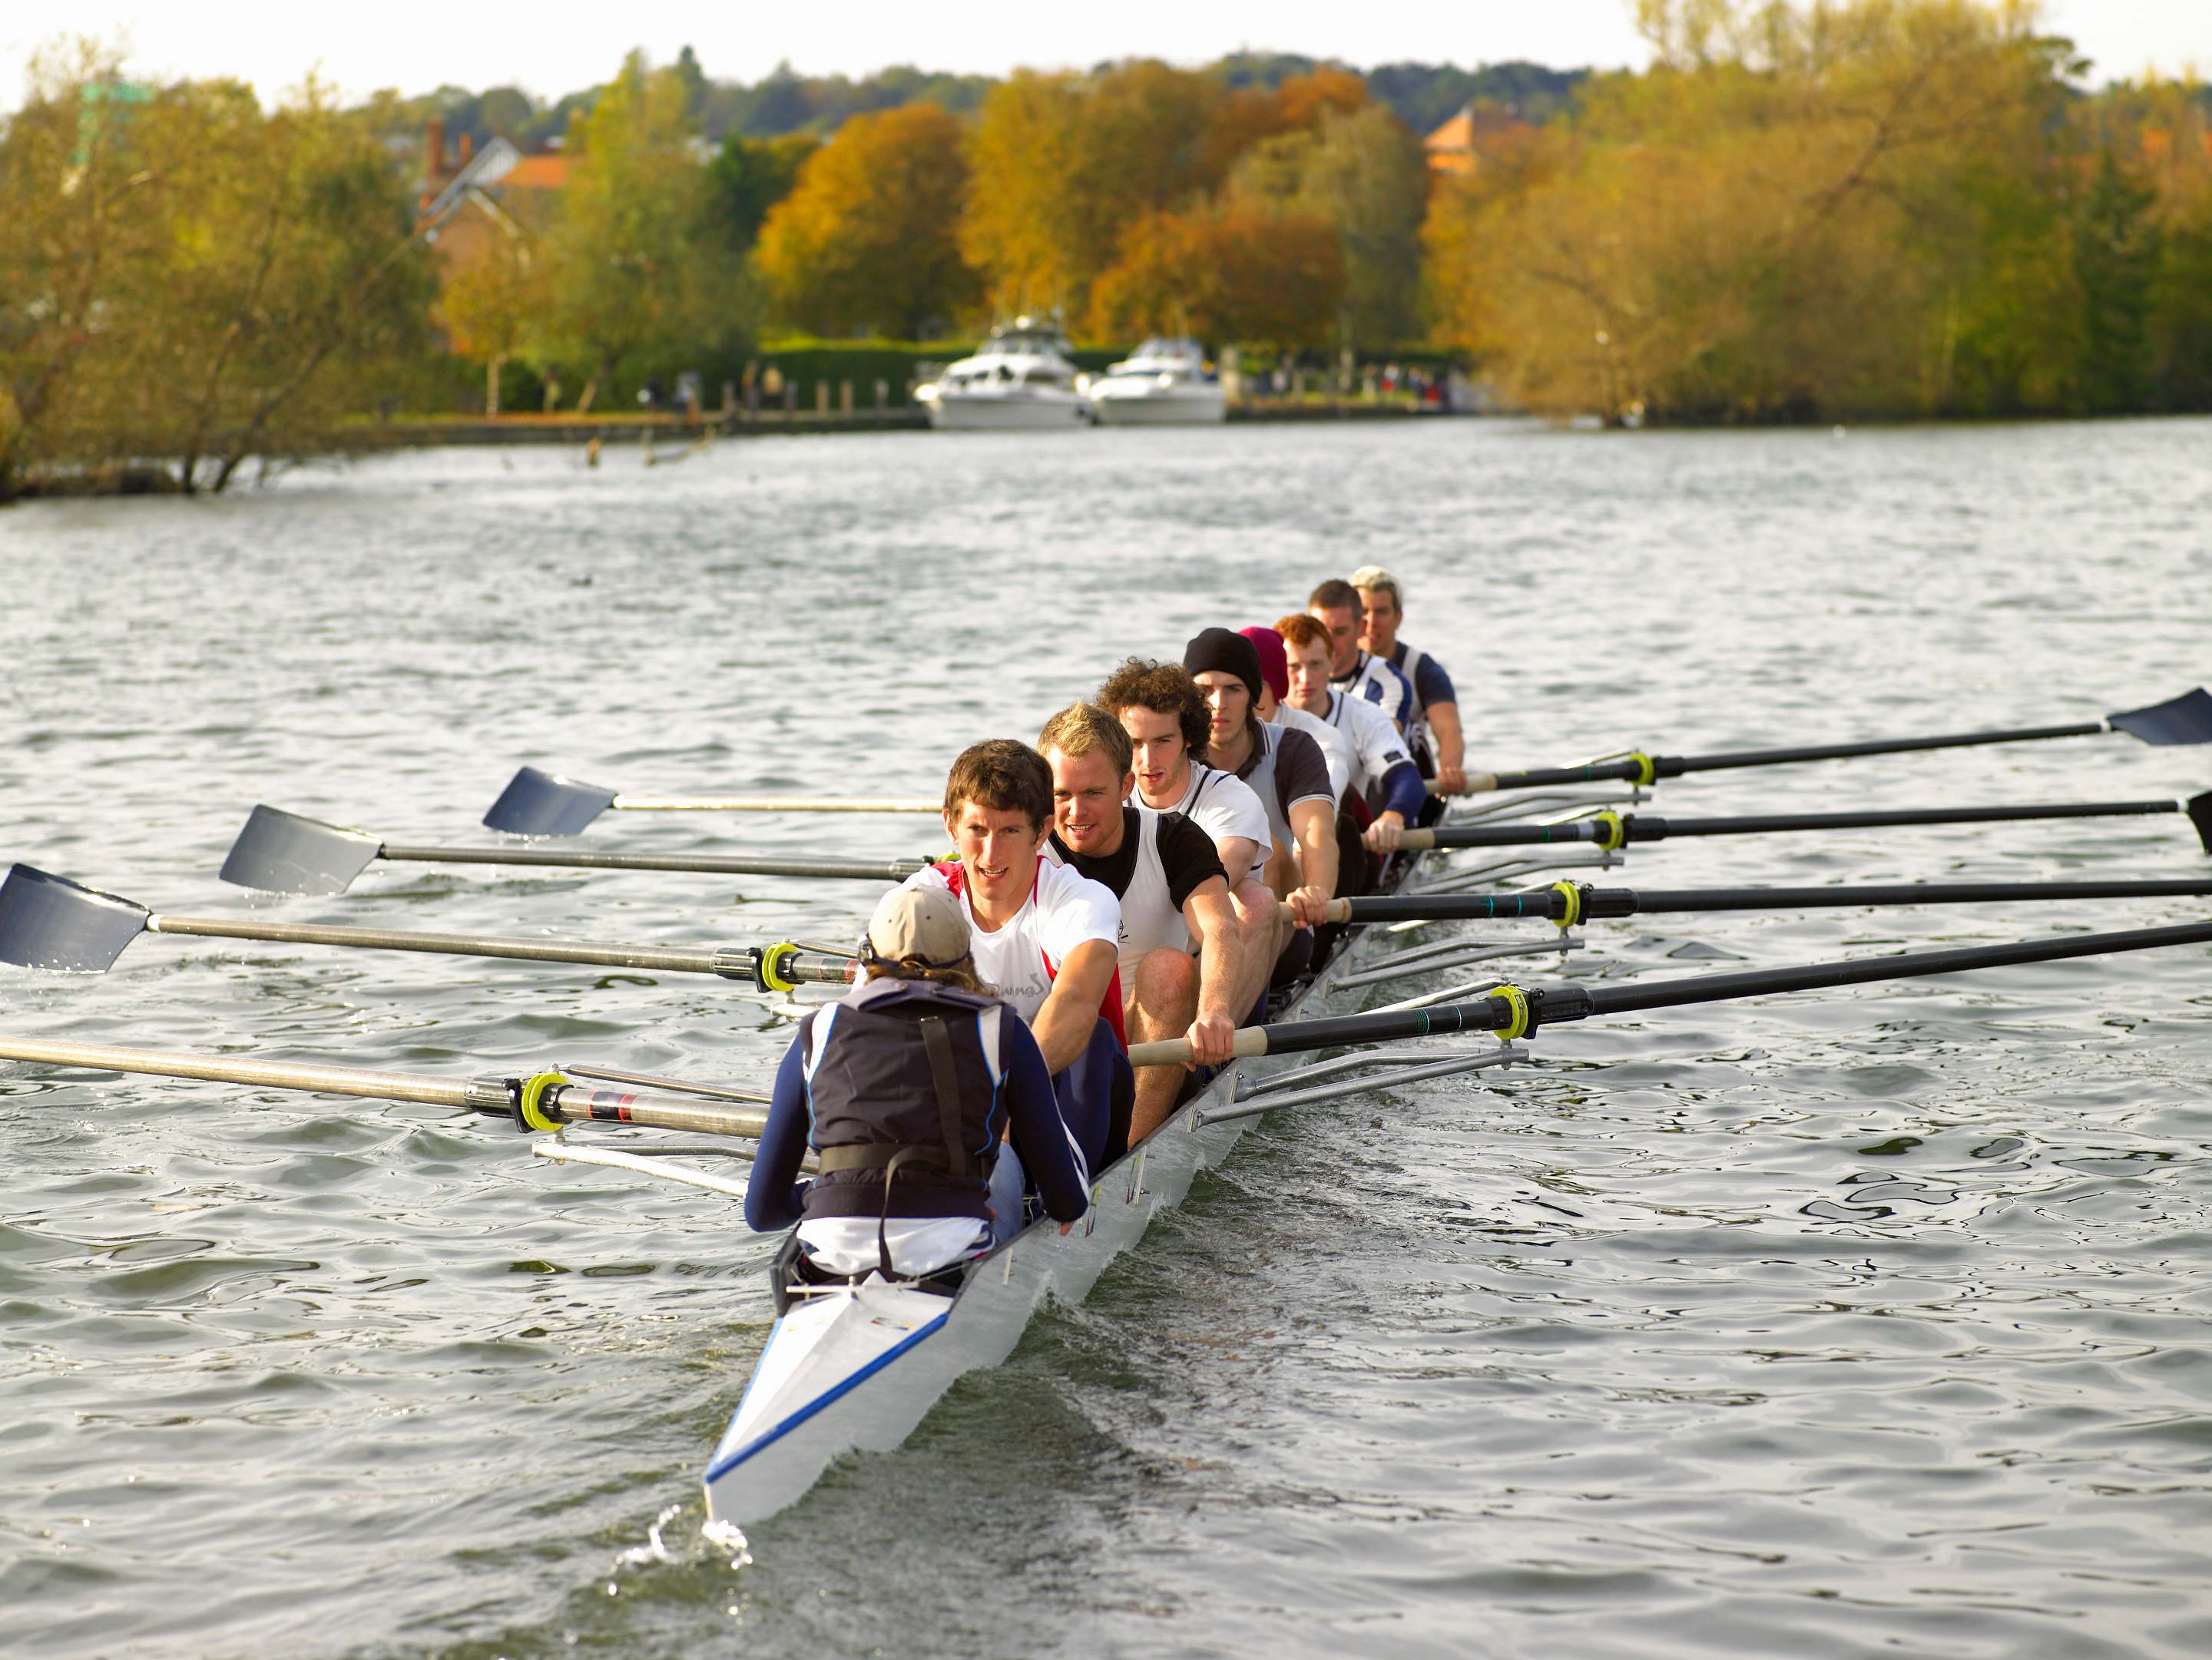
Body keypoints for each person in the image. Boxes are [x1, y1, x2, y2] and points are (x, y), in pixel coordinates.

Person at [743, 885, 1089, 1281]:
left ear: (868, 957)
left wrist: (824, 1190)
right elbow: (1066, 1200)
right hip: (950, 1257)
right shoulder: (1003, 1028)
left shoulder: (817, 1030)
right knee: (1006, 1160)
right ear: (965, 957)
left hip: (829, 1251)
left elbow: (762, 1213)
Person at [900, 739, 1131, 1174]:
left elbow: (1076, 1003)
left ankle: (1064, 1196)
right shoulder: (922, 898)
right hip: (967, 1107)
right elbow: (873, 1017)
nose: (991, 854)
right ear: (951, 825)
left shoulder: (1079, 900)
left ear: (1042, 832)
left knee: (1094, 1037)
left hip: (1066, 1103)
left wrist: (1004, 1099)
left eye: (1009, 831)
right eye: (978, 830)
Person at [1037, 703, 1241, 1141]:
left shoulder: (1173, 838)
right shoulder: (1025, 849)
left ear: (1126, 784)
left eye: (1093, 793)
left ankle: (1130, 1154)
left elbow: (1220, 929)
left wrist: (1214, 1011)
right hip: (1060, 1037)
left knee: (1170, 966)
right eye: (1061, 795)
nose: (1076, 812)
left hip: (1154, 1047)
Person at [1095, 657, 1279, 1023]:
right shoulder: (1099, 798)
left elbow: (1223, 868)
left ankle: (1214, 1043)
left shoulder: (1230, 797)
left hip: (1209, 957)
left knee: (1256, 902)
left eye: (1163, 741)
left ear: (1189, 738)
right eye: (1134, 743)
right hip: (1135, 957)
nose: (1147, 760)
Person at [1182, 628, 1337, 984]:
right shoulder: (1169, 755)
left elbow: (1316, 831)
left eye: (1233, 689)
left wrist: (1317, 891)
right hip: (1194, 925)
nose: (1218, 703)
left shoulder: (1294, 749)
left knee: (1265, 846)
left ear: (1255, 695)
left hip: (1282, 926)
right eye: (1205, 690)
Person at [1277, 613, 1426, 857]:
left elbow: (1406, 778)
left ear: (1331, 662)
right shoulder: (1260, 719)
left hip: (1347, 848)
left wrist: (1393, 816)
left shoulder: (1364, 715)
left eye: (1315, 664)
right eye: (1294, 667)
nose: (1305, 678)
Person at [1349, 564, 1466, 800]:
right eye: (1364, 612)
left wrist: (1449, 769)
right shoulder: (1328, 665)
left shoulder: (1422, 669)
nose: (1371, 622)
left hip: (1405, 784)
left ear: (1398, 618)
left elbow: (1448, 730)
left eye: (1381, 612)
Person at [1309, 577, 1415, 737]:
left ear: (1361, 628)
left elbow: (1384, 741)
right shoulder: (1293, 678)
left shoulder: (1387, 683)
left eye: (1340, 632)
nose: (1328, 643)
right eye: (1320, 631)